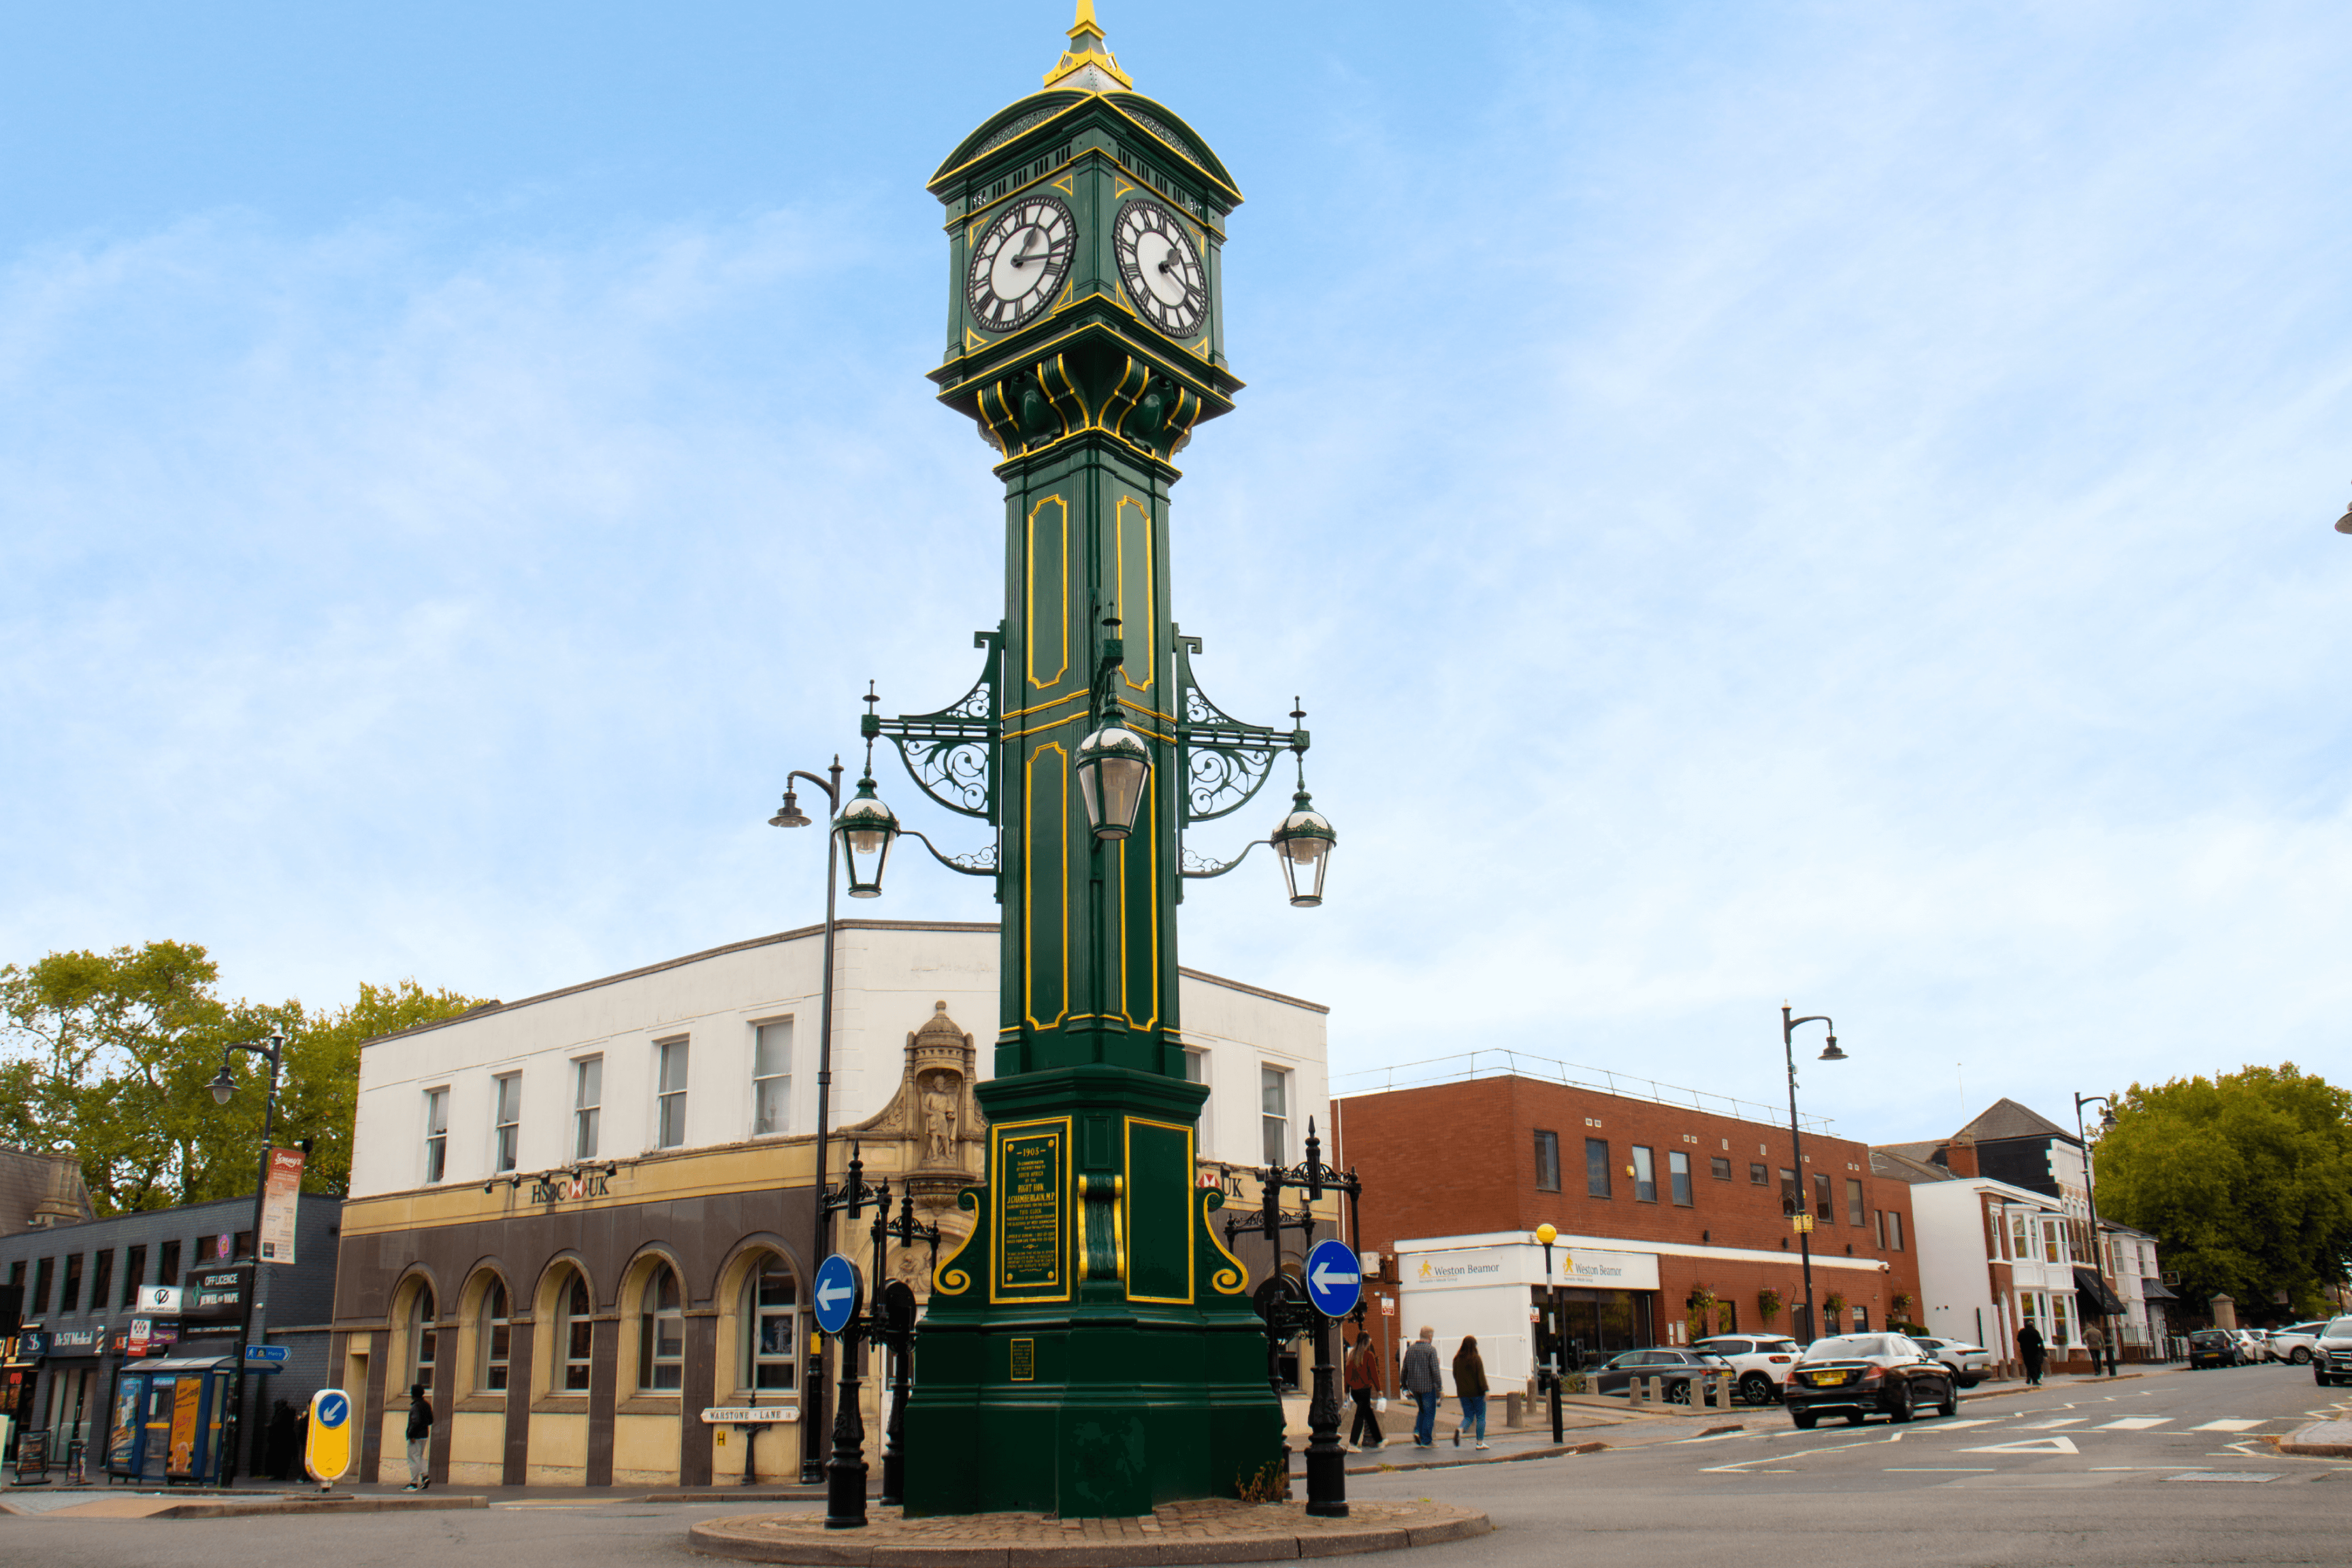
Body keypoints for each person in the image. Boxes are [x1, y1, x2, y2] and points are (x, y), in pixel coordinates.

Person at [1401, 1326, 1443, 1448]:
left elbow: (1404, 1370)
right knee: (1429, 1413)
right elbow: (1435, 1371)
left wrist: (1404, 1386)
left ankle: (1417, 1431)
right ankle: (1426, 1440)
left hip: (1414, 1387)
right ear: (1430, 1337)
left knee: (1422, 1410)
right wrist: (1440, 1388)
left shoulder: (1411, 1350)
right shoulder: (1431, 1350)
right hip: (1428, 1387)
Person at [1344, 1336, 1384, 1451]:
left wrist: (1347, 1391)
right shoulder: (1368, 1356)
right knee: (1360, 1416)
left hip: (1354, 1392)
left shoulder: (1351, 1356)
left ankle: (1379, 1441)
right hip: (1365, 1390)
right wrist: (1379, 1389)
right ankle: (1353, 1443)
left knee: (1369, 1416)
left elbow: (1347, 1375)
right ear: (1366, 1344)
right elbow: (1374, 1374)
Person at [1451, 1335, 1489, 1450]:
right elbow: (1480, 1376)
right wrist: (1486, 1390)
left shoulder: (1457, 1359)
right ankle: (1480, 1443)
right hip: (1478, 1393)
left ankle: (1460, 1429)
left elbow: (1455, 1375)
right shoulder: (1476, 1358)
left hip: (1463, 1394)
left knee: (1468, 1417)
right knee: (1481, 1418)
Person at [403, 1384, 434, 1490]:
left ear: (413, 1394)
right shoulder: (427, 1405)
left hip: (415, 1436)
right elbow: (431, 1420)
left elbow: (415, 1421)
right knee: (419, 1457)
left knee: (413, 1458)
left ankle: (413, 1483)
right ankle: (425, 1477)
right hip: (424, 1435)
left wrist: (411, 1434)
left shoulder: (416, 1406)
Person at [2017, 1322, 2046, 1387]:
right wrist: (2044, 1352)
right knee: (2035, 1366)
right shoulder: (2035, 1332)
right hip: (2034, 1351)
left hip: (2025, 1351)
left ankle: (2029, 1377)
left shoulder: (2022, 1332)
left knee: (2028, 1365)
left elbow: (2018, 1339)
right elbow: (2040, 1341)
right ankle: (2035, 1381)